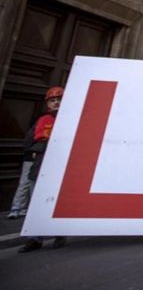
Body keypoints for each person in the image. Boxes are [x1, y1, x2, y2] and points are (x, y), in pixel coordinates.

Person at [18, 86, 67, 253]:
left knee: (59, 200)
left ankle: (59, 234)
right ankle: (34, 239)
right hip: (40, 165)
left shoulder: (71, 118)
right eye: (53, 100)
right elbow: (28, 141)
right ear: (48, 103)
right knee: (36, 203)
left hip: (61, 165)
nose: (56, 103)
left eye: (59, 100)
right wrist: (36, 150)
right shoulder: (41, 120)